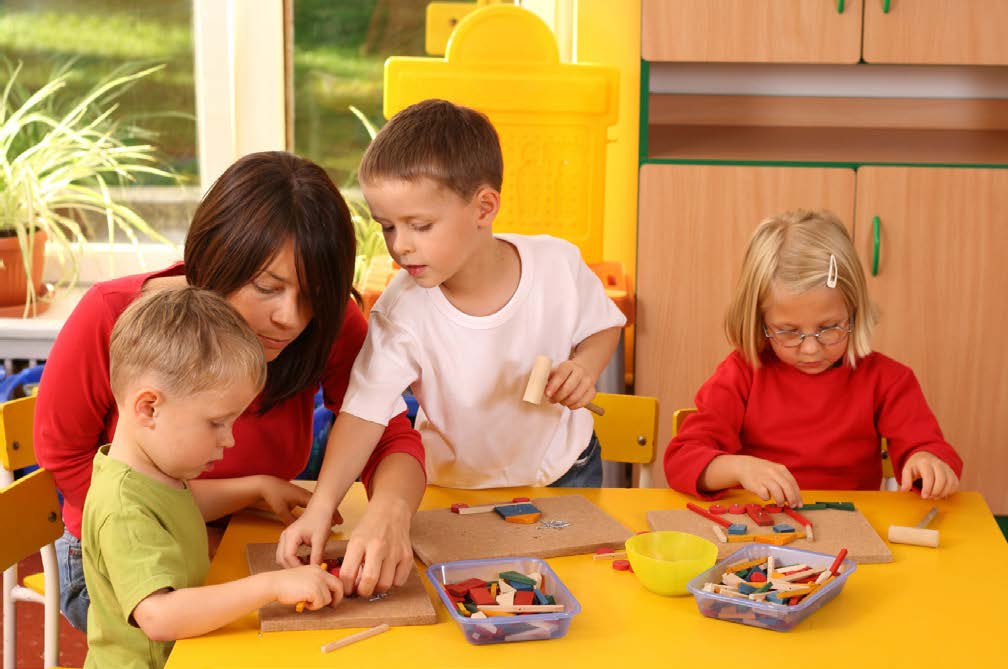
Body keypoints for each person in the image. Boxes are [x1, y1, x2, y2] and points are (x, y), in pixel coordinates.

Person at [34, 151, 425, 631]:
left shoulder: (326, 323)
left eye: (313, 294)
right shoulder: (113, 315)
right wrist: (203, 543)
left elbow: (389, 435)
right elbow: (66, 460)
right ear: (216, 259)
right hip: (126, 559)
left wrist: (390, 511)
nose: (291, 318)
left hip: (246, 536)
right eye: (267, 286)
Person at [278, 99, 626, 586]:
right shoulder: (401, 311)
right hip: (452, 489)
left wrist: (585, 367)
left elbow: (603, 325)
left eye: (419, 226)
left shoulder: (558, 265)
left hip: (563, 473)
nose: (400, 245)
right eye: (388, 226)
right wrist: (321, 505)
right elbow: (362, 416)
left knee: (573, 600)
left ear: (484, 207)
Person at [82, 286, 343, 669]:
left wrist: (256, 487)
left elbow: (177, 508)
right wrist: (271, 586)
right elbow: (159, 616)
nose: (230, 439)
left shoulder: (149, 474)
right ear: (149, 407)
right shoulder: (121, 508)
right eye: (217, 423)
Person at [663, 209, 963, 506]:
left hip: (851, 529)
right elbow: (681, 459)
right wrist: (739, 468)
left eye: (829, 327)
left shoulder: (888, 380)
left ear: (854, 313)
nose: (811, 349)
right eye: (788, 331)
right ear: (759, 322)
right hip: (762, 528)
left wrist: (928, 462)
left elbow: (930, 448)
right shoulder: (742, 374)